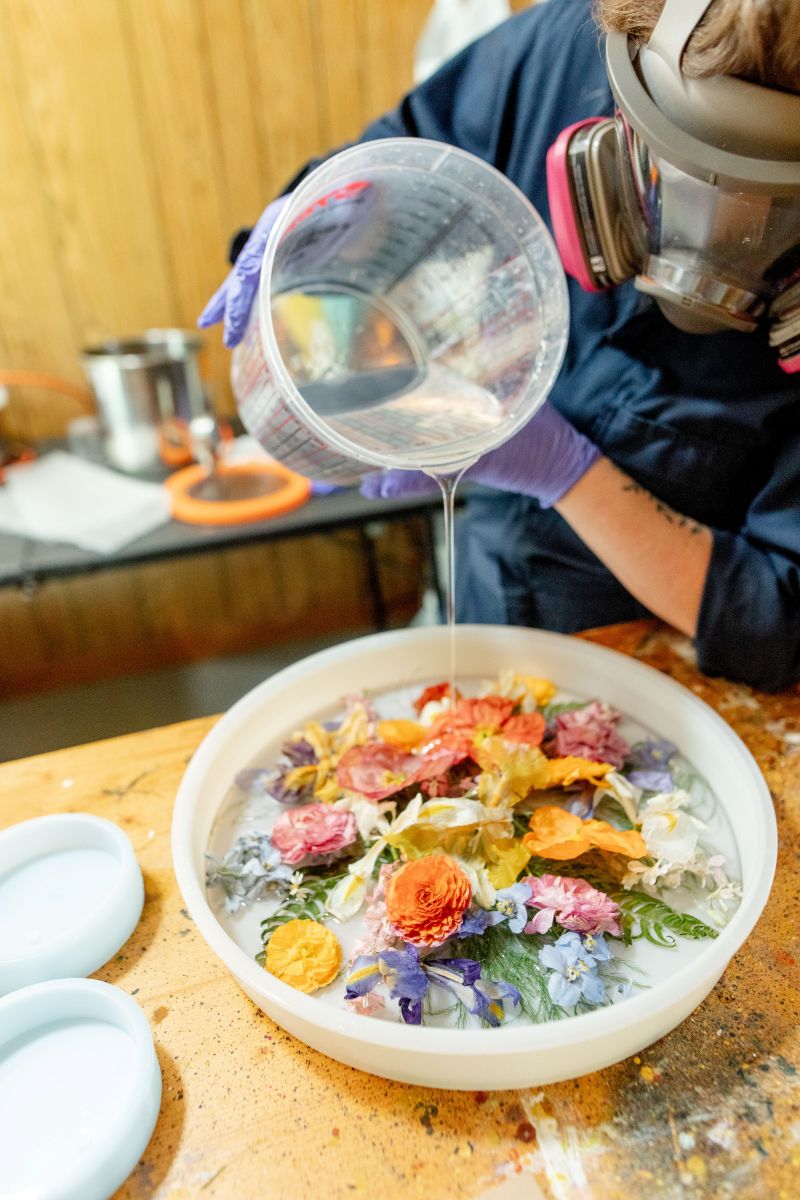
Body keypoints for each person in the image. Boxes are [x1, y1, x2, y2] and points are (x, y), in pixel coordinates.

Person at [200, 0, 800, 692]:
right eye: (673, 166)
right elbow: (416, 140)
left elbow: (781, 623)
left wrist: (567, 472)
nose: (711, 235)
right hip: (490, 575)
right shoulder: (566, 46)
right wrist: (317, 221)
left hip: (663, 657)